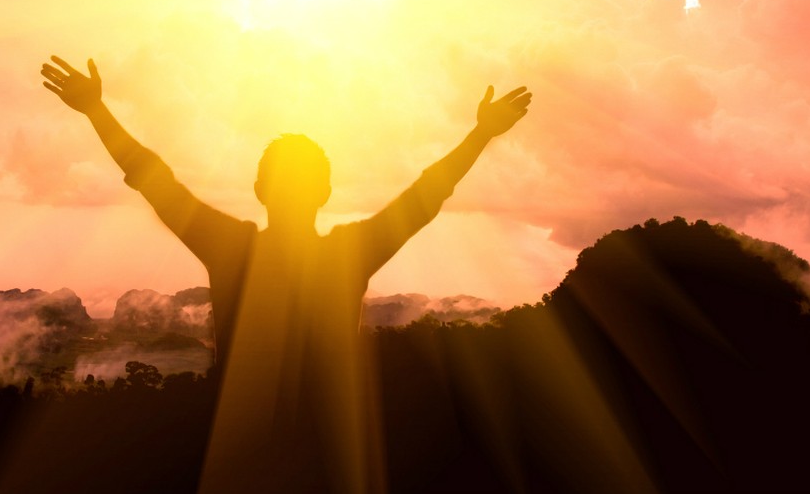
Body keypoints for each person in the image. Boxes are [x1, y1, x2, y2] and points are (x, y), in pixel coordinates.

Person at [40, 55, 532, 493]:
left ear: (259, 189)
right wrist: (481, 134)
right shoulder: (348, 253)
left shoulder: (233, 249)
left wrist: (97, 111)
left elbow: (154, 181)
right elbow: (426, 196)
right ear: (325, 192)